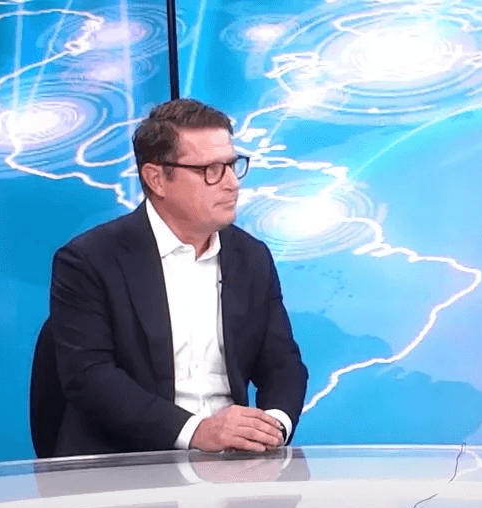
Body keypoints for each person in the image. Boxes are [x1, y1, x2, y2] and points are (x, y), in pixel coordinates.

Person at [49, 98, 309, 457]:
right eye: (212, 170)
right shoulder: (88, 261)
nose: (232, 184)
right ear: (157, 179)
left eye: (233, 166)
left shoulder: (251, 257)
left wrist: (272, 426)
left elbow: (283, 364)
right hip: (125, 465)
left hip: (231, 465)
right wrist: (197, 432)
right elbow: (90, 378)